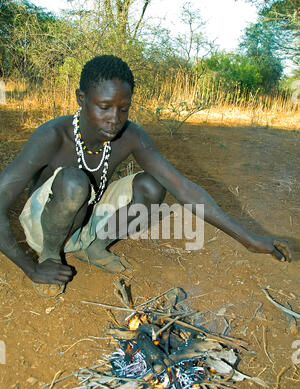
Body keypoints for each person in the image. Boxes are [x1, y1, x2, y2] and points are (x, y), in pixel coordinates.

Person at [0, 55, 291, 296]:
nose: (114, 119)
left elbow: (183, 188)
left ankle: (95, 247)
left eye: (123, 108)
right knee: (75, 182)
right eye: (104, 107)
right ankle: (51, 257)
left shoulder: (131, 135)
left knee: (153, 185)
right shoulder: (53, 135)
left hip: (88, 214)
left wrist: (248, 240)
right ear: (81, 98)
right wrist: (30, 268)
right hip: (45, 226)